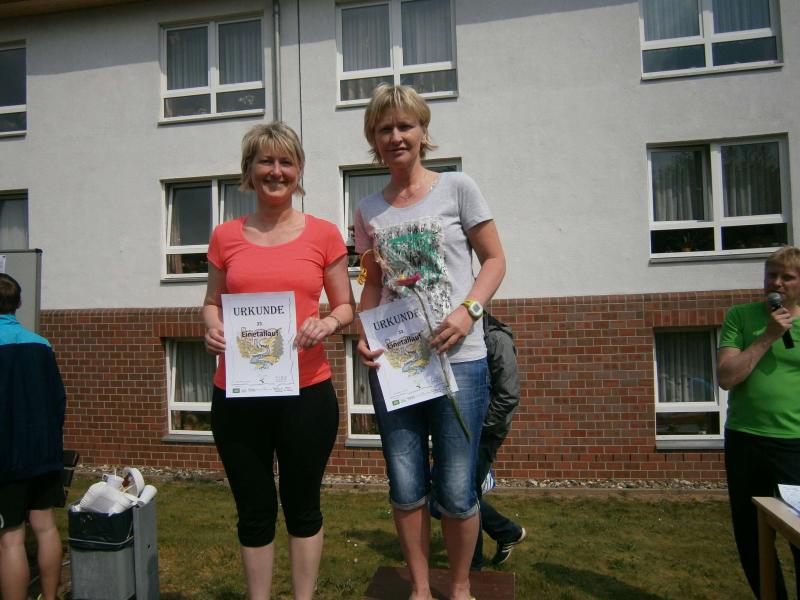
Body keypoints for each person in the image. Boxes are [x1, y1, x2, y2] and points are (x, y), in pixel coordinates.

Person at [355, 84, 506, 600]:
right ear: (373, 139)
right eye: (384, 129)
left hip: (460, 361)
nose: (395, 136)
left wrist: (469, 311)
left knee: (458, 488)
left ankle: (460, 587)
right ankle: (421, 587)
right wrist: (364, 335)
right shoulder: (367, 209)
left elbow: (495, 260)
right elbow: (372, 283)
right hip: (397, 365)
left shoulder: (458, 188)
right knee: (405, 485)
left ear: (422, 131)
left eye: (405, 126)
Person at [203, 122, 355, 600]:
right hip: (238, 395)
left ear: (299, 170)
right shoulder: (225, 236)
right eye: (265, 161)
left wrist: (327, 324)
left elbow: (346, 306)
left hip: (306, 395)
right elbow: (210, 302)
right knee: (254, 511)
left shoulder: (324, 234)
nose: (276, 171)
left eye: (286, 162)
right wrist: (211, 327)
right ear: (249, 170)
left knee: (303, 507)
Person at [717, 246, 800, 600]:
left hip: (793, 444)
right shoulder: (741, 317)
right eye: (771, 275)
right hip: (745, 441)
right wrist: (768, 336)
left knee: (797, 532)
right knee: (751, 537)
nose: (777, 283)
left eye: (787, 277)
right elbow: (726, 377)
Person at [0, 273, 67, 600]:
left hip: (6, 458)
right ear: (18, 303)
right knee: (45, 526)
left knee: (11, 538)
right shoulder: (42, 345)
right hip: (43, 454)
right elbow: (58, 400)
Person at [471, 313, 526, 571]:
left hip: (485, 432)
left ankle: (473, 564)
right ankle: (506, 532)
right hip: (471, 429)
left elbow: (508, 396)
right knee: (455, 493)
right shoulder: (474, 337)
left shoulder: (496, 339)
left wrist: (482, 428)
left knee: (463, 494)